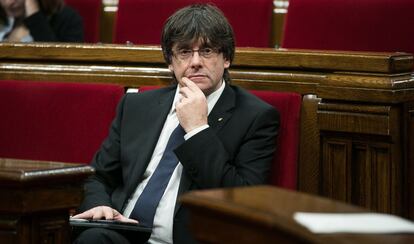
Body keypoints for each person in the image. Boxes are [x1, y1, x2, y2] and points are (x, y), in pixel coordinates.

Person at [72, 3, 279, 244]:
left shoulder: (257, 117)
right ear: (170, 62)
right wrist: (100, 207)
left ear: (226, 59)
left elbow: (242, 201)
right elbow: (98, 177)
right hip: (123, 234)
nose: (195, 62)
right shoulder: (137, 106)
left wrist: (198, 129)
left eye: (207, 51)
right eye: (184, 52)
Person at [0, 0, 83, 42]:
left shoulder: (67, 18)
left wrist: (34, 17)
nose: (9, 2)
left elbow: (61, 64)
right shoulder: (5, 17)